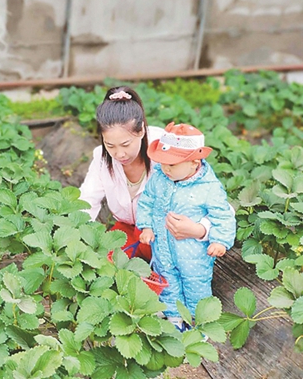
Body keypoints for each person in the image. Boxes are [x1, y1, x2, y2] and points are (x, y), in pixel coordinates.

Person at [79, 86, 210, 261]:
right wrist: (78, 235)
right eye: (110, 145)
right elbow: (87, 200)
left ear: (141, 130)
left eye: (125, 144)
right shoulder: (102, 157)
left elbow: (215, 200)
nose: (119, 154)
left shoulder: (168, 151)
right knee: (103, 262)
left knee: (167, 273)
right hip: (128, 230)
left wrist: (200, 230)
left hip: (165, 234)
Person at [137, 122, 236, 330]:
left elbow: (222, 215)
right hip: (162, 247)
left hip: (193, 254)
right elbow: (146, 201)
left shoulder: (209, 187)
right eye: (163, 162)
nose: (165, 168)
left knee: (195, 285)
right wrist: (146, 227)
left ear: (194, 162)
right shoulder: (159, 178)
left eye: (172, 164)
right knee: (168, 281)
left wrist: (220, 241)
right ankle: (174, 317)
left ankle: (199, 321)